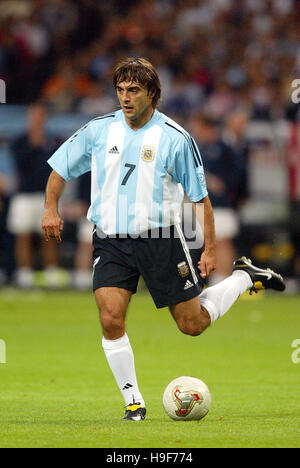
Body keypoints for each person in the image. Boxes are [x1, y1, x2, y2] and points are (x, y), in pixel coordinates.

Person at [42, 58, 285, 421]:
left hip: (160, 240)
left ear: (152, 93)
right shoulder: (99, 130)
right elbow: (60, 168)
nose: (125, 97)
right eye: (121, 90)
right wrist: (50, 207)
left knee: (192, 325)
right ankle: (134, 403)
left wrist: (211, 247)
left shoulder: (175, 138)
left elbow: (201, 197)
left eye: (134, 90)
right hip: (110, 239)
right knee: (110, 318)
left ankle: (244, 277)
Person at [7, 102, 60, 288]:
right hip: (24, 194)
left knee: (50, 235)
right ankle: (25, 273)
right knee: (23, 235)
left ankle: (51, 272)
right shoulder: (20, 141)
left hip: (47, 196)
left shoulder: (53, 141)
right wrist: (34, 145)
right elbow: (20, 164)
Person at [189, 113, 243, 284]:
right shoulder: (199, 149)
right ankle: (214, 278)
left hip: (220, 204)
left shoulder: (223, 147)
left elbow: (236, 177)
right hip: (203, 205)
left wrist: (220, 185)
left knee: (222, 241)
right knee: (209, 241)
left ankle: (225, 279)